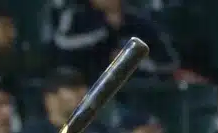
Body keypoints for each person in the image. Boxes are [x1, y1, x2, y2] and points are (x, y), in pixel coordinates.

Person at [51, 0, 179, 83]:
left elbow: (169, 62)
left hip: (138, 93)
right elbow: (61, 45)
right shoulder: (77, 15)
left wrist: (132, 61)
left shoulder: (139, 22)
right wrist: (103, 33)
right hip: (88, 90)